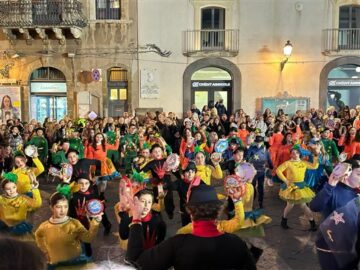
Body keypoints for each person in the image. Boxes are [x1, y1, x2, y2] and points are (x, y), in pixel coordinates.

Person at [125, 182, 256, 270]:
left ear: (191, 212)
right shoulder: (237, 244)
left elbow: (135, 262)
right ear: (218, 212)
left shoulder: (177, 244)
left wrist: (136, 218)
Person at [35, 190, 102, 269]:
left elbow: (88, 238)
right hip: (56, 265)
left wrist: (96, 222)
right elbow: (38, 235)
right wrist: (45, 251)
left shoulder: (74, 223)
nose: (63, 210)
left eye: (65, 206)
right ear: (51, 207)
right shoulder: (45, 226)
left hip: (74, 264)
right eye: (59, 207)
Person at [276, 145, 319, 231]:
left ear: (299, 154)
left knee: (303, 205)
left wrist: (315, 156)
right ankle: (284, 220)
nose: (295, 154)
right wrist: (286, 181)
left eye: (297, 153)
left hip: (301, 186)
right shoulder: (288, 163)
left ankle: (312, 222)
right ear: (290, 155)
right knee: (290, 205)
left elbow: (314, 166)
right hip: (291, 186)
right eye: (293, 153)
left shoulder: (303, 162)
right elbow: (278, 170)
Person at [0, 172, 42, 239]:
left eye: (13, 187)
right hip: (4, 227)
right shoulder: (1, 199)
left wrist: (35, 189)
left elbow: (37, 204)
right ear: (4, 190)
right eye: (8, 189)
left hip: (19, 227)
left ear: (16, 186)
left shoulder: (23, 198)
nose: (12, 190)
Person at [246, 135, 273, 209]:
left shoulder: (265, 150)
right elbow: (247, 157)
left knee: (261, 187)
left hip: (261, 170)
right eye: (257, 142)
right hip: (252, 171)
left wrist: (271, 167)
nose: (258, 143)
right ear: (255, 142)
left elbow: (269, 159)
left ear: (262, 142)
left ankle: (261, 202)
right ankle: (251, 202)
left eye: (260, 142)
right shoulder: (251, 148)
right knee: (252, 187)